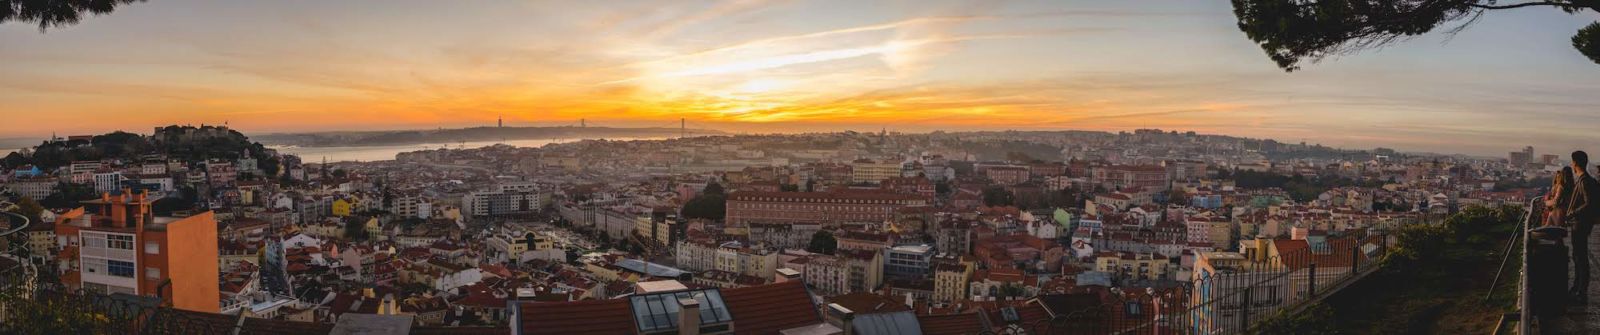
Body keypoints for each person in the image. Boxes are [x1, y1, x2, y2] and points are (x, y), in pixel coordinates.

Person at [1569, 151, 1600, 304]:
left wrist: (1572, 212)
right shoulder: (1585, 180)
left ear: (1575, 163)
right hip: (1580, 223)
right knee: (1577, 256)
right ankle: (1577, 288)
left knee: (1580, 257)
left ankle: (1581, 291)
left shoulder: (1584, 181)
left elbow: (1589, 204)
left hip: (1580, 223)